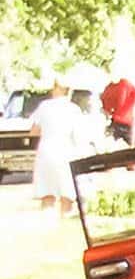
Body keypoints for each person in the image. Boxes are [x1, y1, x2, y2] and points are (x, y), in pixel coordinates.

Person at [29, 80, 89, 216]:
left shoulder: (44, 106)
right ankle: (64, 221)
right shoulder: (73, 109)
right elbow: (79, 136)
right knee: (66, 194)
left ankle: (46, 225)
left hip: (46, 152)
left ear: (57, 88)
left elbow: (33, 131)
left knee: (47, 193)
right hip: (66, 153)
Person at [100, 74, 135, 145]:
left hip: (128, 123)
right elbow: (106, 109)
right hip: (117, 123)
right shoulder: (108, 88)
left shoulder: (125, 84)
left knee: (134, 147)